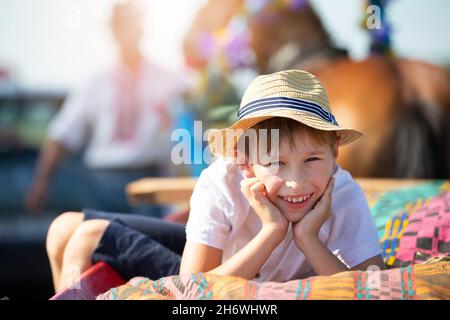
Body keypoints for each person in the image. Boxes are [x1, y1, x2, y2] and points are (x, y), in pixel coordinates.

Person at [46, 69, 384, 293]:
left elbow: (370, 286)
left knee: (86, 235)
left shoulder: (342, 191)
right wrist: (272, 231)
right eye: (276, 163)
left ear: (335, 153)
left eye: (311, 160)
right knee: (63, 227)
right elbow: (194, 284)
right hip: (223, 261)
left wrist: (308, 237)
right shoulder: (221, 181)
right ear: (245, 161)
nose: (295, 183)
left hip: (226, 268)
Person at [25, 0, 185, 214]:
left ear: (141, 28)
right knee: (103, 243)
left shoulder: (168, 80)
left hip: (149, 180)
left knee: (149, 244)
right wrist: (41, 182)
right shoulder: (94, 82)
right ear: (113, 31)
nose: (128, 32)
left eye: (132, 24)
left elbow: (191, 121)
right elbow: (61, 135)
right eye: (122, 25)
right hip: (103, 182)